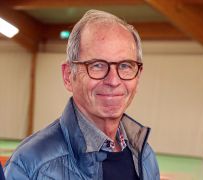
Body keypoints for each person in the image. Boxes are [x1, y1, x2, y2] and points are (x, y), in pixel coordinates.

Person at [4, 9, 160, 180]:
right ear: (68, 76)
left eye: (125, 66)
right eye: (97, 65)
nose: (114, 81)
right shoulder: (31, 165)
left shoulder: (146, 157)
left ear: (138, 75)